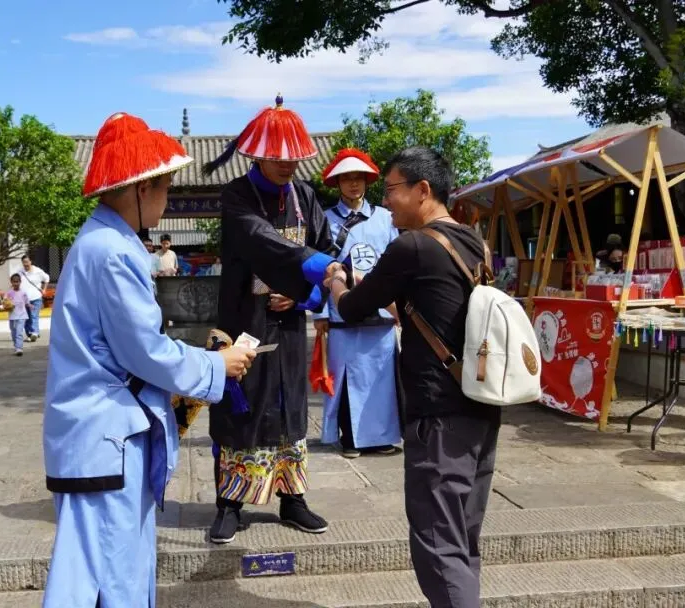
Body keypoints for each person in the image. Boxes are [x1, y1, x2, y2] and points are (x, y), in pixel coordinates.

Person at [41, 112, 256, 608]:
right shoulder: (112, 251)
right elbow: (144, 351)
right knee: (111, 574)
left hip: (99, 435)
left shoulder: (104, 242)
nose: (167, 199)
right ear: (141, 188)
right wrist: (216, 366)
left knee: (95, 569)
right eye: (165, 188)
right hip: (106, 437)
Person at [323, 147, 500, 608]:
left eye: (391, 190)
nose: (386, 202)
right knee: (462, 536)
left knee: (438, 542)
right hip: (480, 407)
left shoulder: (412, 246)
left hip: (437, 413)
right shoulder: (474, 244)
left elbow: (353, 307)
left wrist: (336, 279)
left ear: (422, 190)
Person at [201, 94, 336, 544]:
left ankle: (292, 499)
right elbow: (261, 241)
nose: (287, 165)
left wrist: (302, 296)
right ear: (257, 154)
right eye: (278, 156)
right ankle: (230, 502)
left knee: (291, 408)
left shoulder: (306, 197)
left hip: (289, 325)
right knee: (241, 407)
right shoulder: (237, 196)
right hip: (243, 322)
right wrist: (315, 268)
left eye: (293, 157)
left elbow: (325, 248)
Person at [311, 148, 401, 459]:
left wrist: (399, 305)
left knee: (380, 376)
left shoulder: (386, 218)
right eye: (346, 179)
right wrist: (320, 312)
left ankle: (381, 437)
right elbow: (318, 268)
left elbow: (397, 262)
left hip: (381, 308)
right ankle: (350, 437)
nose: (353, 184)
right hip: (342, 308)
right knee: (347, 376)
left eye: (358, 178)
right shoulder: (324, 220)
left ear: (366, 181)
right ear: (337, 183)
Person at [18, 255, 49, 342]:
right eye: (24, 262)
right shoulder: (20, 272)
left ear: (30, 262)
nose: (25, 264)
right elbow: (15, 281)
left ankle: (35, 332)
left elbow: (47, 278)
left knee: (33, 315)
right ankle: (30, 334)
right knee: (26, 318)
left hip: (36, 298)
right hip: (24, 299)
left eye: (27, 262)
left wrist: (44, 289)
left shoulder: (37, 271)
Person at [2, 274, 30, 356]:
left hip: (22, 315)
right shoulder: (9, 293)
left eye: (17, 282)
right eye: (14, 282)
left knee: (19, 332)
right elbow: (5, 302)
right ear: (11, 282)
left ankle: (19, 348)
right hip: (12, 316)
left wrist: (30, 305)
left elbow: (27, 302)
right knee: (13, 332)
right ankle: (16, 345)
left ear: (20, 282)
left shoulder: (23, 292)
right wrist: (6, 305)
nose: (16, 283)